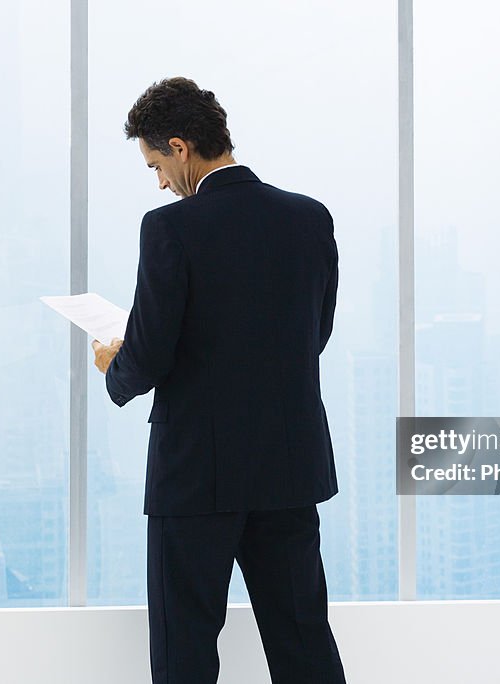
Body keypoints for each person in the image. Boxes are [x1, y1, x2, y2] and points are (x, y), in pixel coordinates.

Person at [91, 77, 346, 684]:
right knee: (302, 637)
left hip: (196, 475)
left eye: (156, 163)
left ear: (180, 147)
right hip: (288, 466)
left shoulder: (170, 228)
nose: (158, 181)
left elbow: (148, 356)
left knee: (186, 648)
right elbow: (315, 333)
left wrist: (113, 365)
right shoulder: (311, 218)